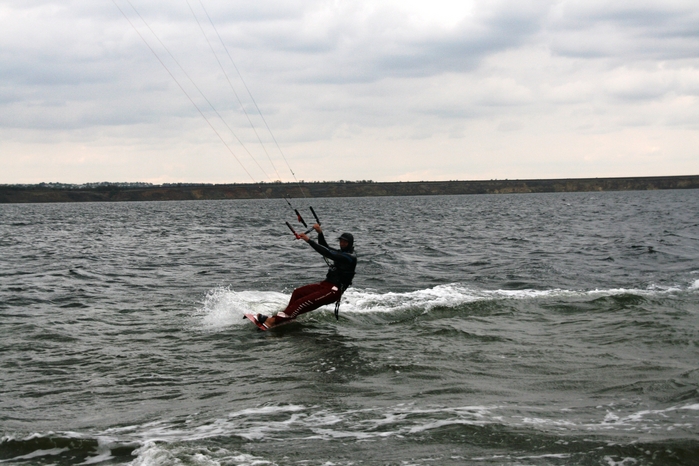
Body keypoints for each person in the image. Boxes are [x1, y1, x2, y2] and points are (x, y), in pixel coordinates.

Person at [256, 224, 357, 329]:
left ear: (350, 244)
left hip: (333, 291)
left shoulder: (350, 257)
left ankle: (273, 321)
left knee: (301, 302)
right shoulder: (342, 253)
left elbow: (328, 253)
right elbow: (325, 247)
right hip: (326, 285)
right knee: (297, 293)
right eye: (341, 241)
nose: (342, 243)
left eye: (345, 242)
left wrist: (309, 241)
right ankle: (287, 317)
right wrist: (320, 233)